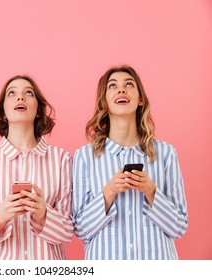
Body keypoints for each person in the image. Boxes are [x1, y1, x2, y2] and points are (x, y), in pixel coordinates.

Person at [73, 65, 188, 260]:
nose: (121, 89)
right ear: (104, 101)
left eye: (129, 84)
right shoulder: (84, 157)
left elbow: (179, 227)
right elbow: (80, 229)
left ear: (140, 99)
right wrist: (109, 191)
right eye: (112, 86)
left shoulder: (166, 154)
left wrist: (151, 191)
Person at [0, 75, 73, 260]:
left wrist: (44, 214)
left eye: (28, 93)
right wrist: (1, 216)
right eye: (12, 93)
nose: (20, 97)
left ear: (38, 110)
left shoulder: (61, 159)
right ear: (2, 112)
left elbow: (67, 231)